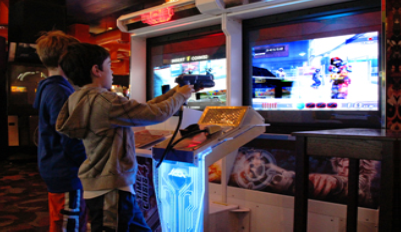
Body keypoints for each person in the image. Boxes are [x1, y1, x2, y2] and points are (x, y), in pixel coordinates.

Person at [56, 43, 194, 231]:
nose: (113, 72)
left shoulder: (79, 98)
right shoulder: (105, 101)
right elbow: (156, 114)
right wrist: (182, 96)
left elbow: (142, 109)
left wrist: (174, 93)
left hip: (106, 185)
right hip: (111, 189)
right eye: (110, 66)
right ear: (96, 70)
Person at [33, 31, 87, 231]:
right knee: (68, 222)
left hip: (56, 167)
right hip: (66, 171)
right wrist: (89, 163)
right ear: (66, 58)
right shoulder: (60, 91)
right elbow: (69, 135)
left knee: (65, 219)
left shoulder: (49, 86)